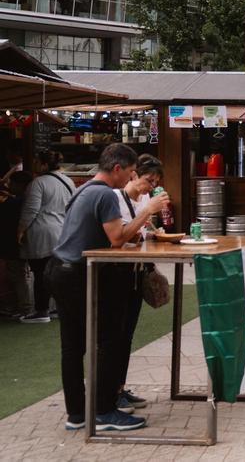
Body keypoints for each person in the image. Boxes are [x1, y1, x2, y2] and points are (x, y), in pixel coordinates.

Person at [49, 144, 160, 432]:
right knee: (109, 340)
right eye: (131, 172)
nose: (132, 179)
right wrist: (147, 211)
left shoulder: (84, 189)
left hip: (61, 269)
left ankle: (77, 414)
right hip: (79, 274)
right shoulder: (106, 194)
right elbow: (118, 238)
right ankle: (105, 411)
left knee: (72, 347)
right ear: (117, 169)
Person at [111, 154, 169, 415]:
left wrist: (155, 230)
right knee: (115, 336)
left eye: (154, 182)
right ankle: (110, 393)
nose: (150, 186)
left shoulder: (143, 199)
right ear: (132, 174)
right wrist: (147, 214)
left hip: (136, 271)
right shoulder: (115, 199)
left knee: (127, 334)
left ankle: (119, 387)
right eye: (148, 180)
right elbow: (120, 237)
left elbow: (142, 231)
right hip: (116, 273)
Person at [15, 150, 74, 323]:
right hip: (62, 231)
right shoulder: (68, 180)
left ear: (44, 164)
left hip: (42, 232)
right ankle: (56, 308)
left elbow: (31, 210)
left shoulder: (38, 183)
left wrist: (20, 229)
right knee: (55, 272)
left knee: (40, 272)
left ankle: (41, 310)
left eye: (36, 161)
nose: (33, 164)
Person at [1, 171, 33, 320]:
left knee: (19, 276)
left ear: (20, 185)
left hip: (14, 244)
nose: (9, 186)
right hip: (23, 243)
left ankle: (25, 308)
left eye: (12, 183)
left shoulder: (15, 203)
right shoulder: (26, 200)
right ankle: (27, 307)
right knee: (24, 275)